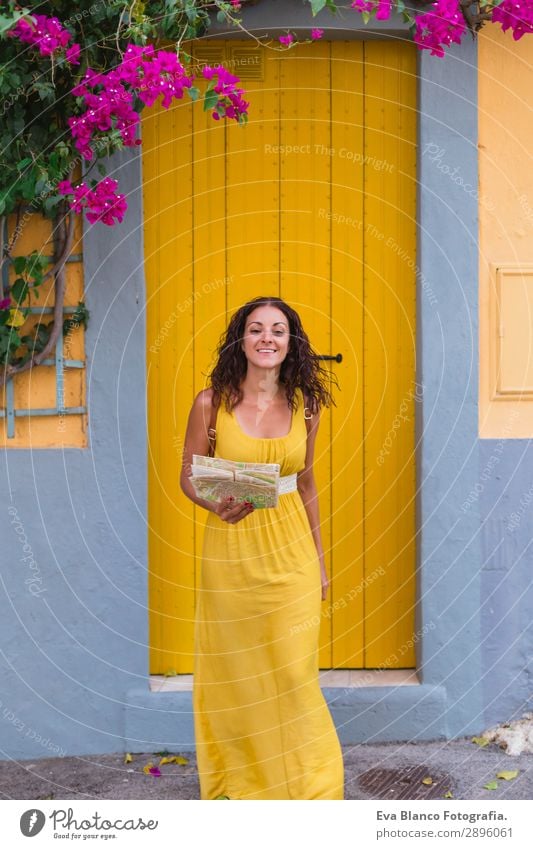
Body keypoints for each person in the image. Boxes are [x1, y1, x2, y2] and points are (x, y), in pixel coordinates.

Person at [180, 295, 344, 800]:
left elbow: (309, 486)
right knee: (238, 673)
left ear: (290, 341)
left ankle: (310, 789)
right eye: (256, 329)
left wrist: (319, 565)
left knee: (294, 671)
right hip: (230, 554)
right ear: (241, 340)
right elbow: (188, 477)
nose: (267, 338)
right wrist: (216, 505)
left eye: (277, 329)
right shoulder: (210, 403)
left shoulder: (306, 406)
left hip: (291, 552)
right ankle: (244, 784)